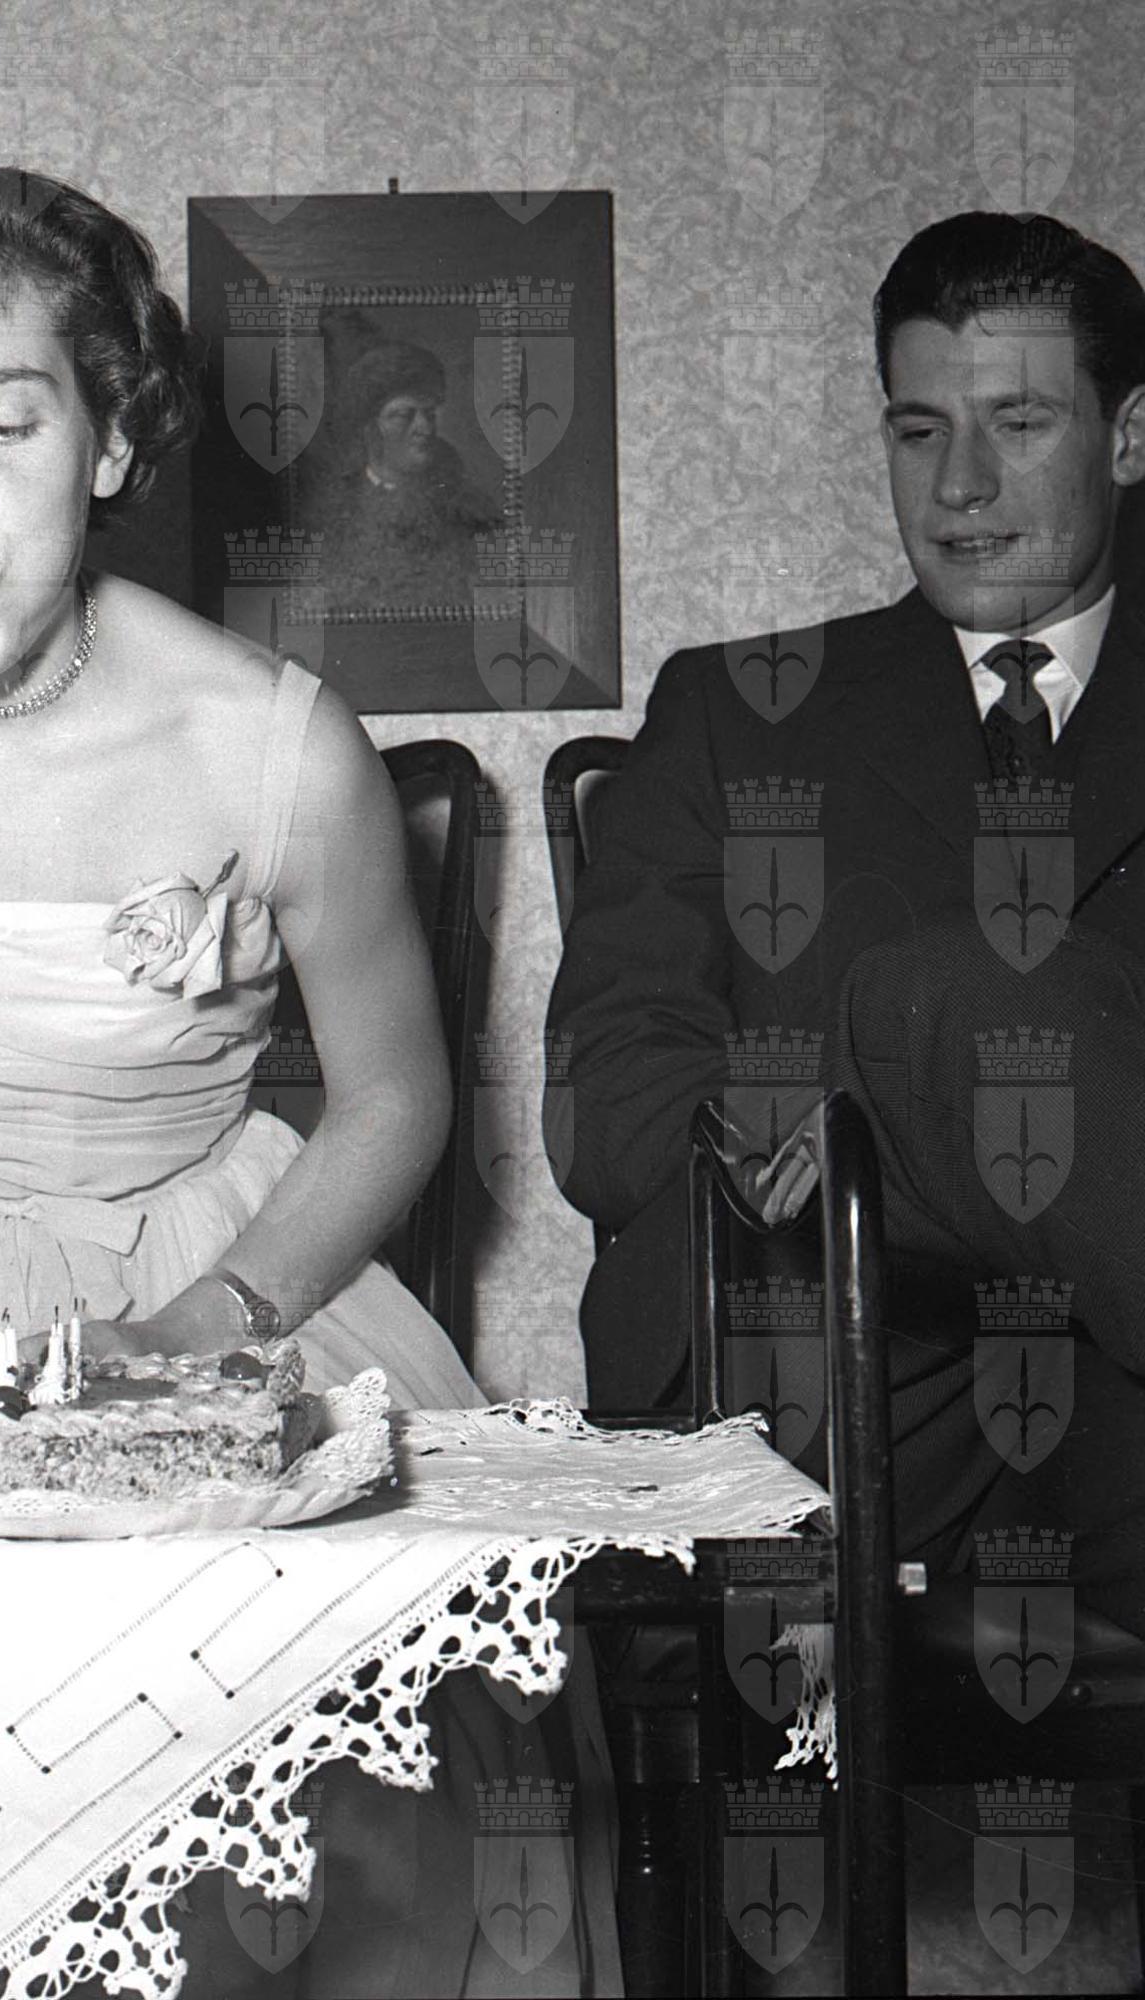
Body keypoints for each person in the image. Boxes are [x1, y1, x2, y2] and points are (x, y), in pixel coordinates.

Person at [0, 135, 619, 1996]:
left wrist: (209, 1330)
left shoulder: (274, 745)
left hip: (224, 1285)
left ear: (102, 438)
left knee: (290, 1824)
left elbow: (396, 1097)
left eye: (3, 425)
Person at [549, 210, 1145, 1631]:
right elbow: (609, 1110)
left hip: (1116, 1405)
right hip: (827, 1377)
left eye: (1017, 423)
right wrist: (885, 1111)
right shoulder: (732, 712)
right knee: (978, 993)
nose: (960, 485)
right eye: (917, 430)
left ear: (1127, 437)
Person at [311, 339, 504, 609]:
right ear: (370, 428)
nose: (425, 428)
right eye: (404, 415)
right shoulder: (331, 512)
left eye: (429, 413)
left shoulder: (470, 510)